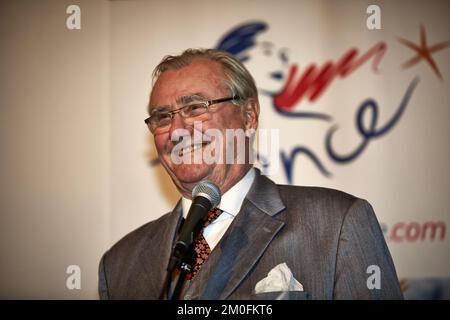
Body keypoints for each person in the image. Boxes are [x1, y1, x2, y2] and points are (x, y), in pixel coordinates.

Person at [98, 48, 403, 300]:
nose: (177, 130)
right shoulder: (119, 264)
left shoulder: (336, 224)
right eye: (163, 116)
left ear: (249, 116)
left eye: (194, 107)